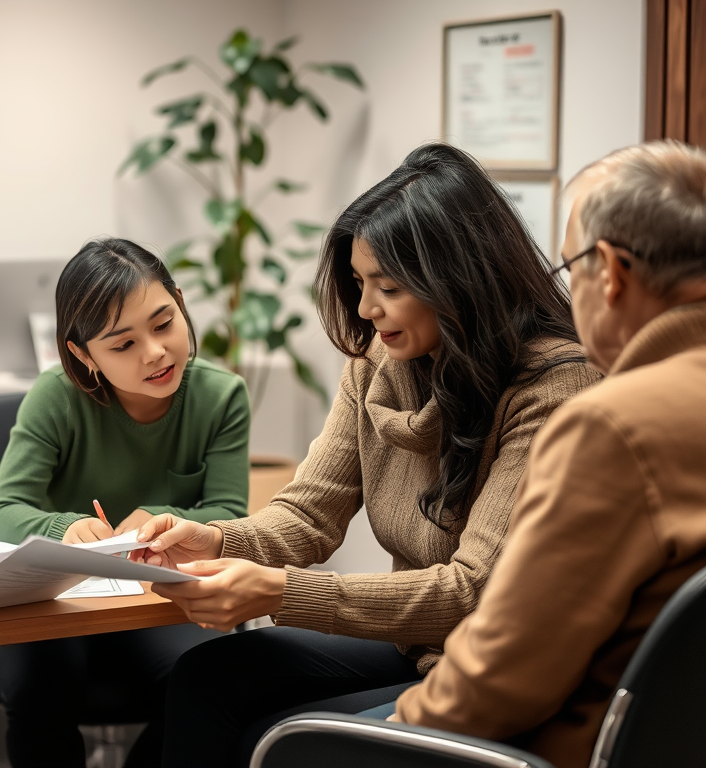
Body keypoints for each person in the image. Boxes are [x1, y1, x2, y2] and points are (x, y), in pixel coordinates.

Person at [131, 142, 601, 768]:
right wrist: (214, 543)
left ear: (458, 278)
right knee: (207, 679)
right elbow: (307, 514)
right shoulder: (382, 363)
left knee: (285, 742)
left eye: (389, 286)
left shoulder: (553, 388)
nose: (365, 309)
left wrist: (278, 591)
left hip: (495, 669)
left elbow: (472, 591)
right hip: (417, 645)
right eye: (359, 283)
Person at [389, 140, 706, 768]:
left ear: (611, 272)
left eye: (571, 267)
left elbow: (501, 676)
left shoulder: (613, 425)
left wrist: (395, 729)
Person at [0, 237, 251, 768]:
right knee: (41, 691)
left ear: (178, 300)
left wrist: (171, 519)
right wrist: (66, 528)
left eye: (164, 322)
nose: (155, 352)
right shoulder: (56, 396)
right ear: (84, 354)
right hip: (56, 600)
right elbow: (1, 512)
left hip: (157, 602)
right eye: (123, 345)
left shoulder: (220, 396)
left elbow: (229, 515)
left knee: (215, 685)